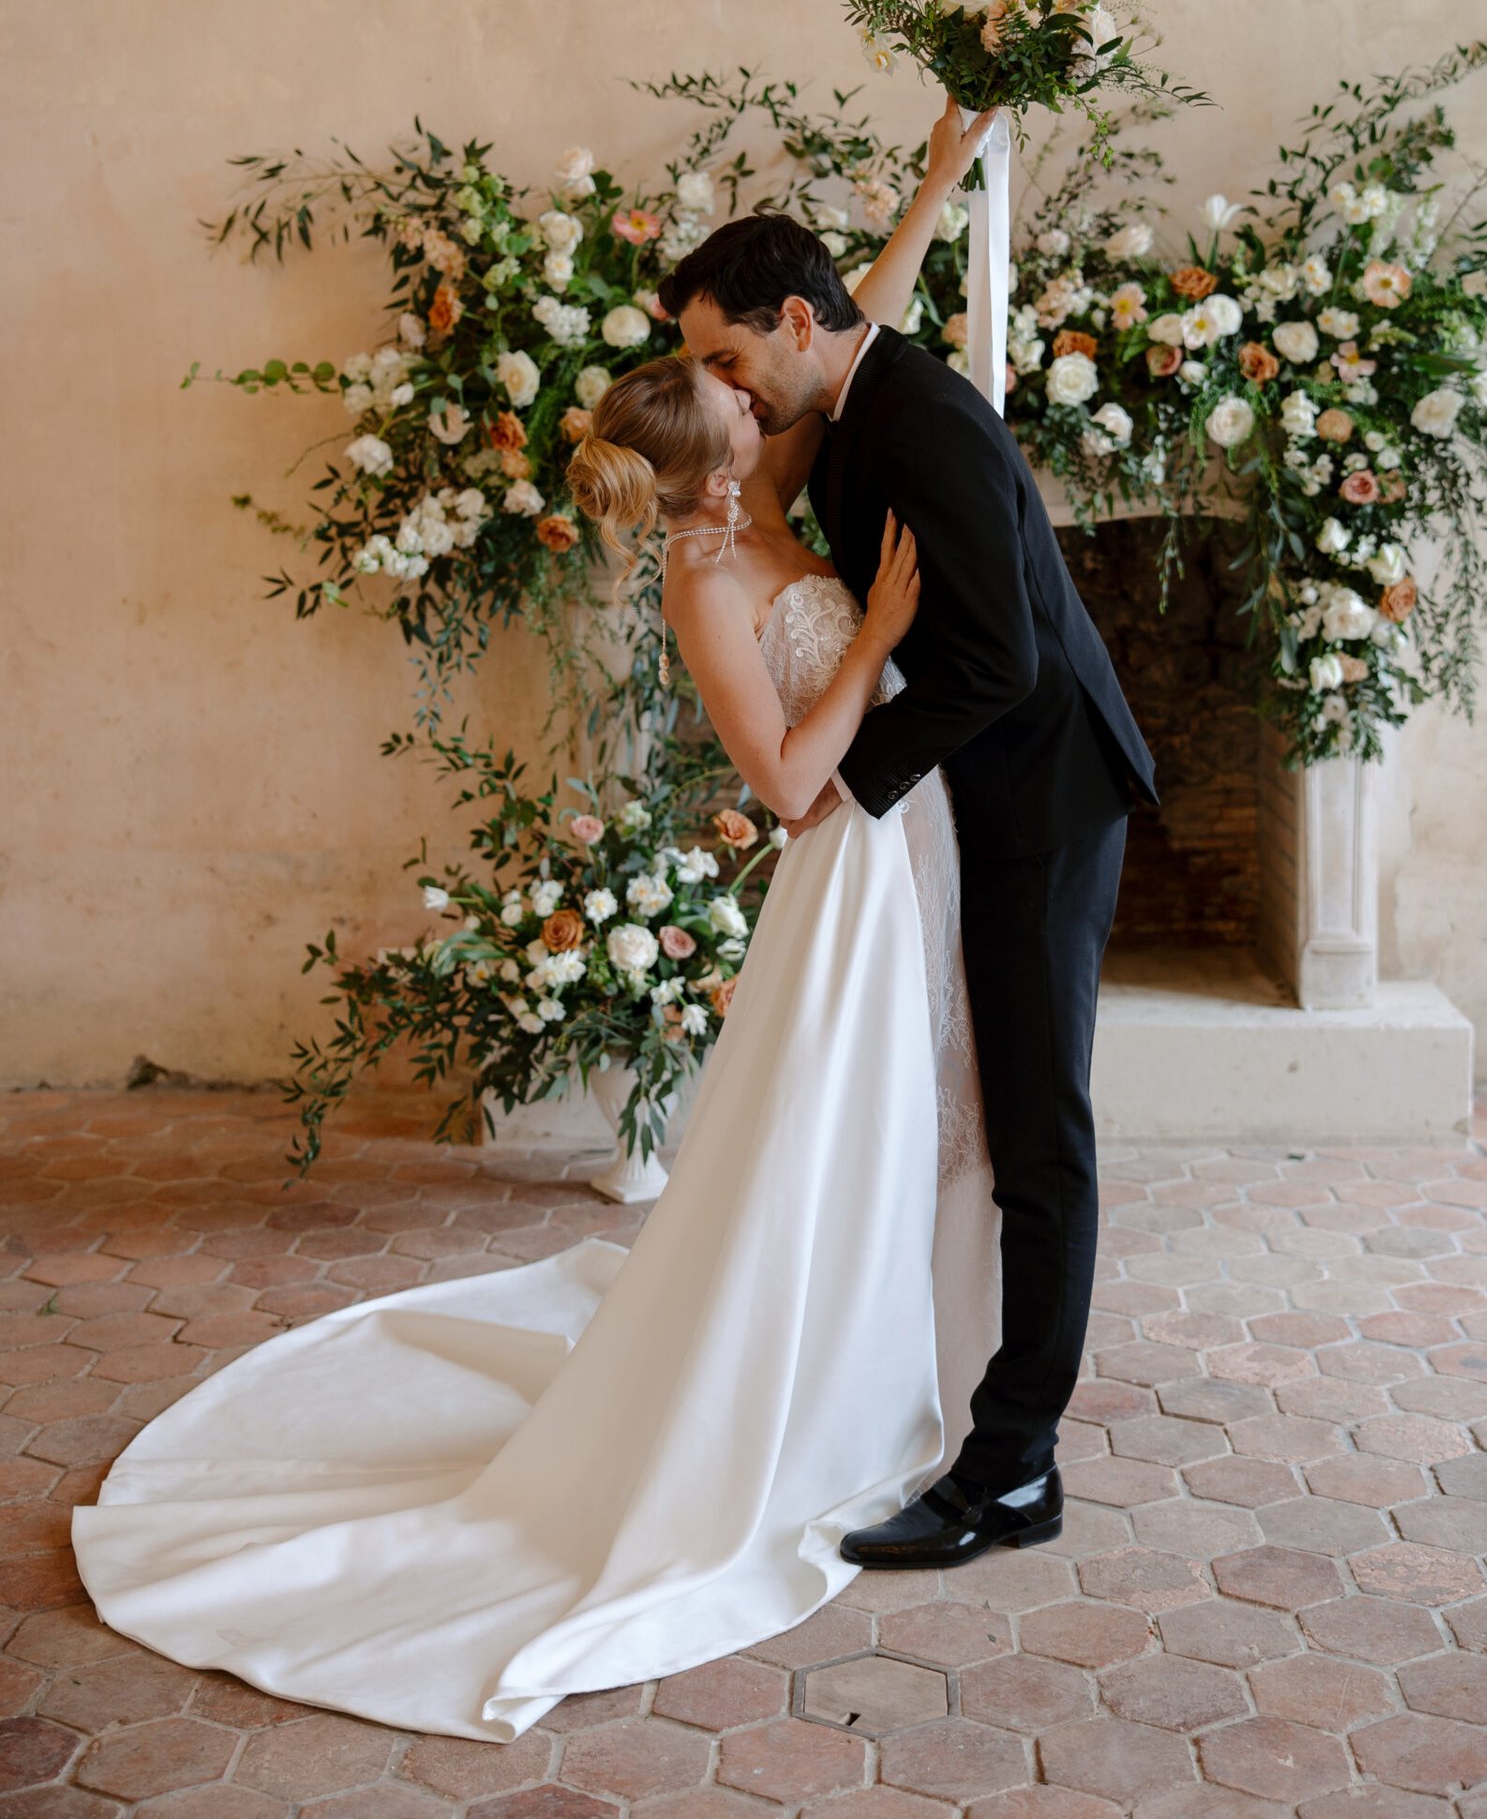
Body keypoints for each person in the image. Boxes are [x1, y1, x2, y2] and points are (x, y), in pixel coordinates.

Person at [70, 98, 1006, 1742]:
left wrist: (939, 177)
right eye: (729, 391)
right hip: (846, 853)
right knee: (852, 1125)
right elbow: (791, 785)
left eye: (742, 372)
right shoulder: (705, 582)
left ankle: (929, 1343)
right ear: (706, 453)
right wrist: (880, 643)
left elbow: (855, 331)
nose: (751, 387)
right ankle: (835, 1384)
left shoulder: (774, 473)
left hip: (907, 836)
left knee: (933, 1111)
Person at [663, 146, 1158, 1568]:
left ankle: (1013, 1471)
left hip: (1043, 804)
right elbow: (866, 299)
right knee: (979, 1126)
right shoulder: (853, 388)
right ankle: (944, 1396)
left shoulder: (921, 422)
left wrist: (846, 798)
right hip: (973, 806)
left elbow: (997, 661)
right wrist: (938, 177)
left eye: (728, 355)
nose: (725, 388)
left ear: (796, 328)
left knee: (1038, 1136)